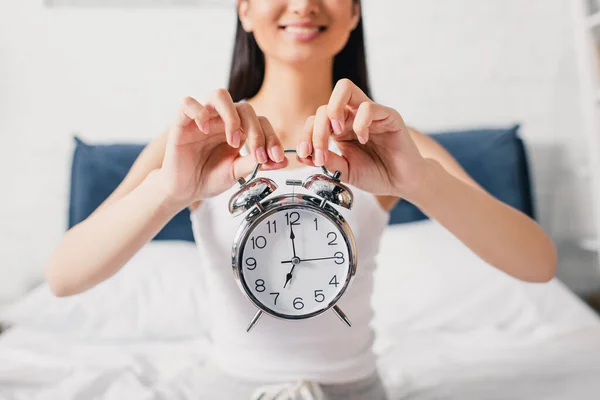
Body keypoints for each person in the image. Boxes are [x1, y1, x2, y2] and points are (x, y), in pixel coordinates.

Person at [45, 1, 558, 399]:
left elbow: (539, 264)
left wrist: (419, 182)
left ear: (354, 11)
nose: (304, 4)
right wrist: (169, 191)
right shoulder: (195, 139)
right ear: (243, 8)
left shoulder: (393, 142)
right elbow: (64, 276)